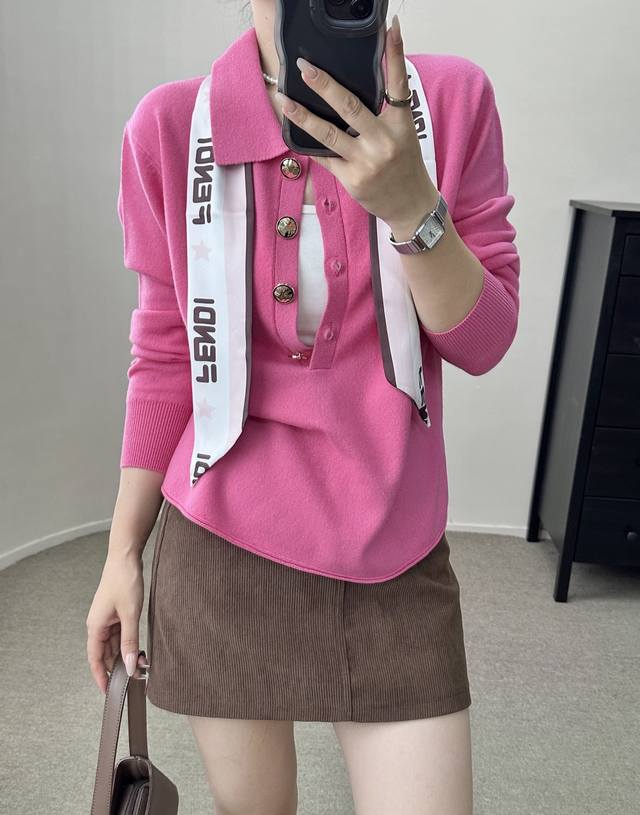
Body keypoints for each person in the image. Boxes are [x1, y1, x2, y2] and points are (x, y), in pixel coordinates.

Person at [86, 2, 520, 812]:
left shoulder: (453, 103)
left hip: (395, 547)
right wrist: (122, 551)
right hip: (223, 550)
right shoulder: (171, 126)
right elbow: (167, 357)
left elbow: (484, 342)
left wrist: (411, 206)